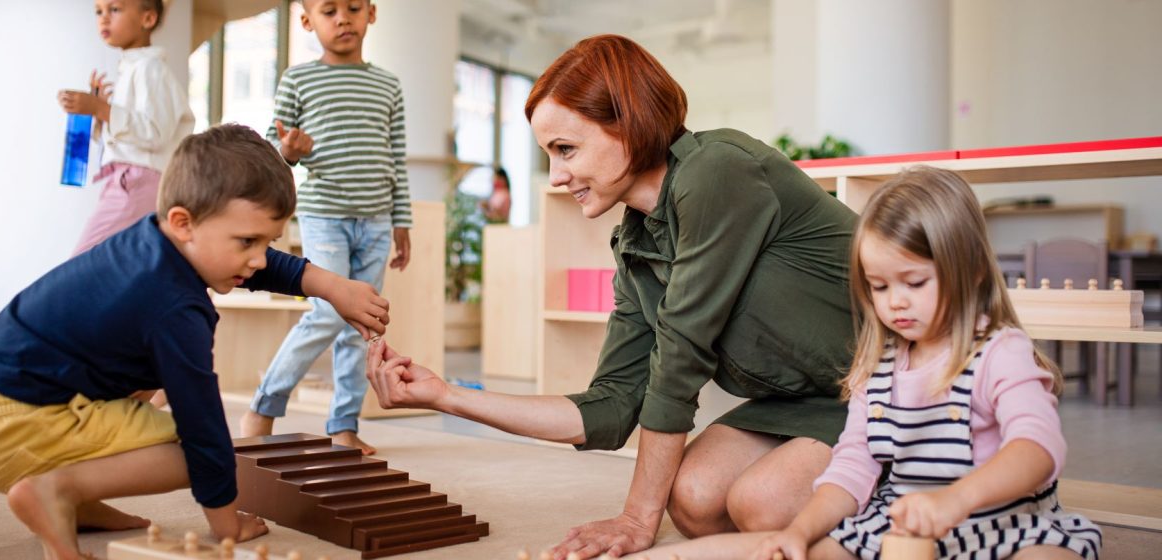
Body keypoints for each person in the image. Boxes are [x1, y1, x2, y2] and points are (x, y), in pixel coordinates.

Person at [366, 34, 858, 559]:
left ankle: (938, 477)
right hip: (802, 403)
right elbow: (611, 406)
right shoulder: (636, 242)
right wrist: (447, 396)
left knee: (762, 504)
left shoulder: (717, 170)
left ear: (628, 123)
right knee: (692, 499)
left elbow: (680, 359)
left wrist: (636, 518)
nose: (555, 177)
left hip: (891, 389)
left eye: (566, 149)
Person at [0, 124, 391, 560]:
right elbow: (203, 425)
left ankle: (78, 501)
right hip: (11, 427)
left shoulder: (153, 240)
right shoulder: (175, 308)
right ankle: (56, 489)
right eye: (247, 242)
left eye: (268, 242)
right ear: (184, 222)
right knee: (194, 445)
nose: (259, 259)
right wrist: (227, 525)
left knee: (149, 383)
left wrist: (333, 286)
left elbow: (258, 263)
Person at [646, 167, 1103, 559]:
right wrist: (800, 532)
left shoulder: (1001, 353)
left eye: (914, 281)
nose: (895, 303)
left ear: (973, 271)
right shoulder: (879, 367)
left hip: (1005, 528)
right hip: (898, 530)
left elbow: (1038, 451)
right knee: (793, 549)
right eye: (880, 287)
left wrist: (954, 502)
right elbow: (851, 468)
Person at [238, 0, 412, 457]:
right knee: (330, 311)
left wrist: (402, 221)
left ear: (371, 14)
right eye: (329, 10)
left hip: (376, 220)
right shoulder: (298, 79)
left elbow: (397, 159)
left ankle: (344, 426)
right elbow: (272, 152)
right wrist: (289, 151)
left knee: (363, 321)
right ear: (306, 21)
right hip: (324, 215)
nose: (342, 19)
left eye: (353, 8)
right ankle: (265, 406)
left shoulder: (388, 86)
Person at [57, 0, 194, 256]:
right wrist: (100, 113)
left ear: (148, 19)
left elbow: (155, 132)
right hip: (130, 178)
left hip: (138, 180)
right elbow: (130, 137)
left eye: (115, 9)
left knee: (84, 261)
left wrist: (101, 109)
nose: (104, 18)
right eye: (98, 11)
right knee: (129, 264)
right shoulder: (133, 69)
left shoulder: (150, 69)